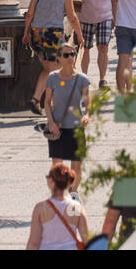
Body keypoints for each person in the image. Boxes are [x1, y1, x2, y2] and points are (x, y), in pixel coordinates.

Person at [23, 0, 80, 114]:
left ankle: (36, 100)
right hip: (54, 34)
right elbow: (72, 17)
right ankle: (53, 104)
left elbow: (29, 13)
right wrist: (79, 35)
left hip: (37, 34)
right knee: (58, 70)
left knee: (47, 69)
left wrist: (26, 32)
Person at [42, 42, 91, 191]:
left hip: (76, 127)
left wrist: (87, 115)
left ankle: (74, 193)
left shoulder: (82, 78)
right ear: (59, 58)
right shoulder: (52, 78)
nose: (70, 57)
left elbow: (88, 102)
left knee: (77, 164)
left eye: (72, 54)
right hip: (58, 128)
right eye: (66, 55)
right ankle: (61, 193)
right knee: (58, 166)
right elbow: (47, 101)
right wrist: (50, 122)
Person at [26, 165, 89, 250]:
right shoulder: (76, 207)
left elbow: (34, 243)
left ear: (51, 181)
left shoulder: (40, 208)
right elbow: (87, 241)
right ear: (68, 183)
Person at [76, 0, 114, 87]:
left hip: (106, 16)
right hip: (86, 18)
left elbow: (114, 0)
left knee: (103, 47)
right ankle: (84, 78)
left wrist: (115, 18)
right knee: (85, 48)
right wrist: (75, 20)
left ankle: (102, 79)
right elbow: (76, 0)